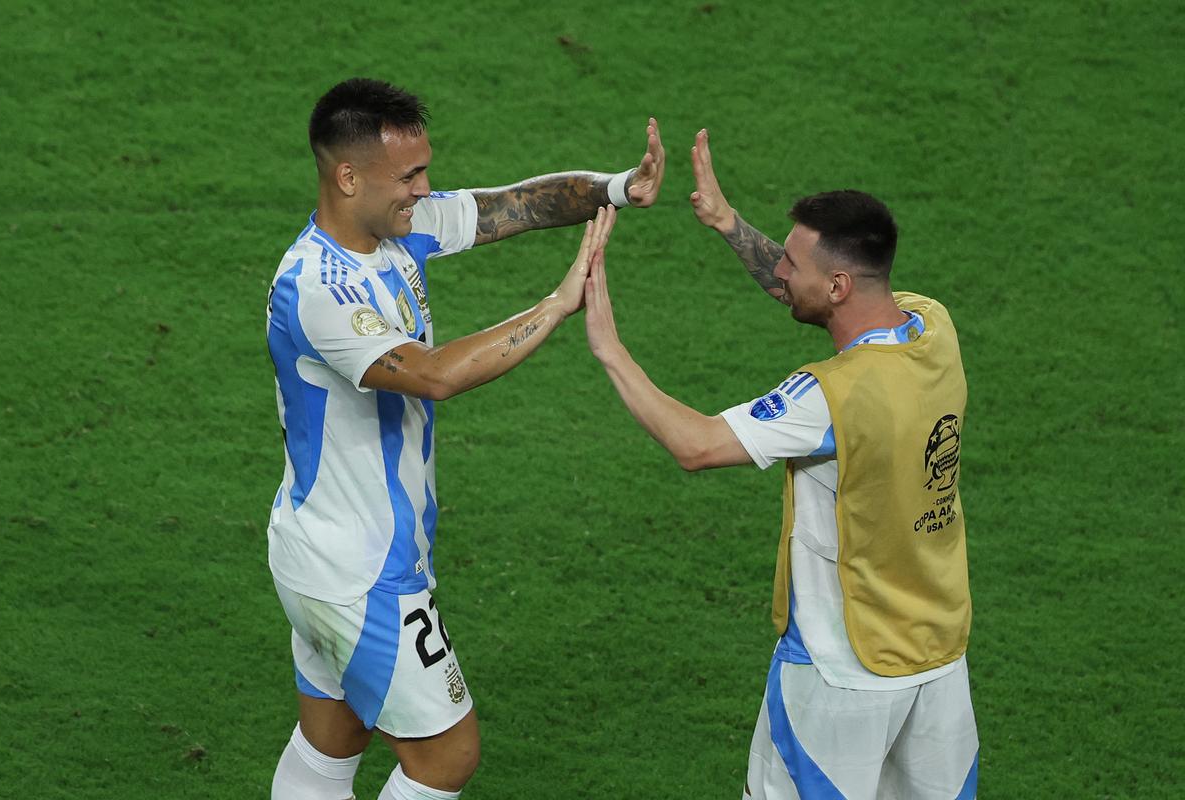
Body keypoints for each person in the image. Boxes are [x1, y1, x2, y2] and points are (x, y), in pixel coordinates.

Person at [264, 77, 658, 800]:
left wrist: (619, 187)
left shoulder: (398, 227)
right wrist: (557, 304)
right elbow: (436, 374)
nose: (425, 189)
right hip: (359, 573)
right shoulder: (318, 290)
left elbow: (512, 206)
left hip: (318, 550)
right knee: (447, 757)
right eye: (409, 175)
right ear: (348, 176)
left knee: (333, 737)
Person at [581, 129, 978, 799]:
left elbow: (697, 444)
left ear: (842, 282)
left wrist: (609, 348)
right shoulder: (930, 326)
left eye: (794, 264)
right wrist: (727, 223)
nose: (782, 274)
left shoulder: (830, 396)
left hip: (841, 672)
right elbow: (813, 294)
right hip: (938, 667)